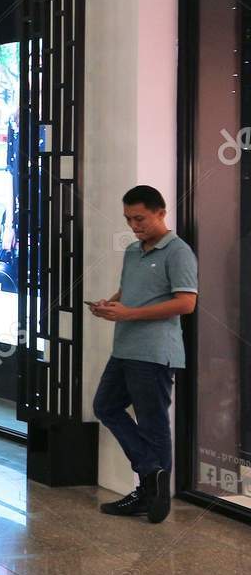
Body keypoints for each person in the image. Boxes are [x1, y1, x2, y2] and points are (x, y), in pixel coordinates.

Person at [88, 185, 197, 524]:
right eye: (128, 219)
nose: (134, 226)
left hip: (154, 353)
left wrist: (129, 314)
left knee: (153, 424)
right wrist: (110, 303)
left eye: (140, 218)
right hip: (125, 347)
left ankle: (152, 492)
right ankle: (152, 476)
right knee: (105, 406)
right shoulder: (133, 251)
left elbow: (186, 303)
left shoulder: (178, 252)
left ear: (161, 213)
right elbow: (130, 291)